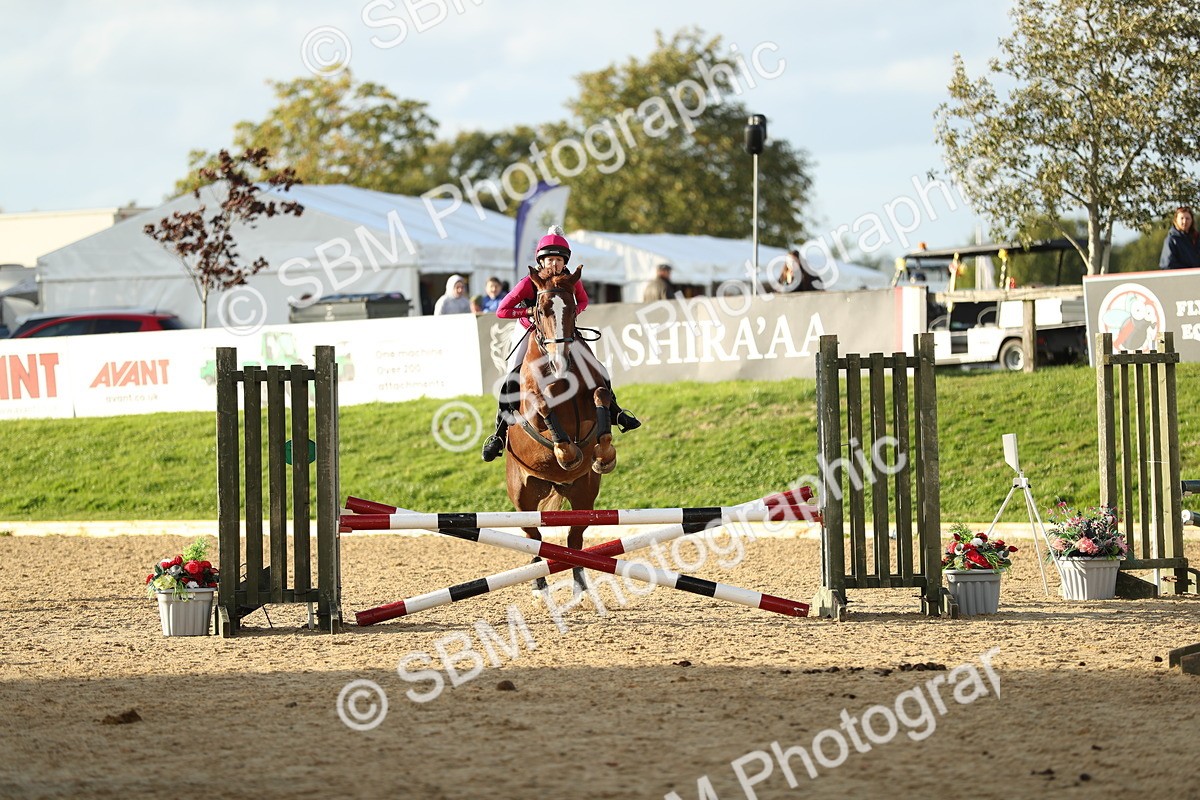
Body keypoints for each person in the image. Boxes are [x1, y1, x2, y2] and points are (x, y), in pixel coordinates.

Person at [481, 226, 640, 462]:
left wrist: (569, 315)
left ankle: (616, 412)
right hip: (529, 328)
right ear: (541, 261)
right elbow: (502, 310)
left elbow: (583, 301)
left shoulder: (569, 280)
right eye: (549, 260)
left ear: (564, 261)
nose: (553, 265)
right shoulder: (529, 282)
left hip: (561, 331)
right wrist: (530, 311)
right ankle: (500, 432)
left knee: (597, 368)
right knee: (512, 374)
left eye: (557, 260)